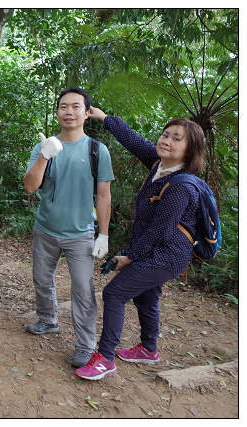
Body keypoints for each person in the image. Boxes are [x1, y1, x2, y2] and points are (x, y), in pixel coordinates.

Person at [75, 108, 206, 380]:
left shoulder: (181, 186)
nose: (166, 141)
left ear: (190, 149)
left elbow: (160, 230)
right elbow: (134, 140)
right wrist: (104, 118)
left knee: (114, 293)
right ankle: (148, 349)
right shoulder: (160, 166)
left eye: (177, 139)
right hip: (158, 249)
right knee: (146, 298)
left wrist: (129, 257)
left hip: (167, 255)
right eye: (165, 134)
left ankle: (105, 358)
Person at [23, 87, 114, 368]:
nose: (69, 112)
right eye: (64, 106)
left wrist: (104, 233)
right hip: (46, 229)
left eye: (76, 106)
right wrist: (45, 155)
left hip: (80, 234)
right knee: (41, 279)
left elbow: (103, 195)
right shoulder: (44, 147)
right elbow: (30, 186)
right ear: (58, 112)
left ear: (87, 113)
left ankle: (86, 346)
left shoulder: (97, 150)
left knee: (83, 290)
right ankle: (48, 320)